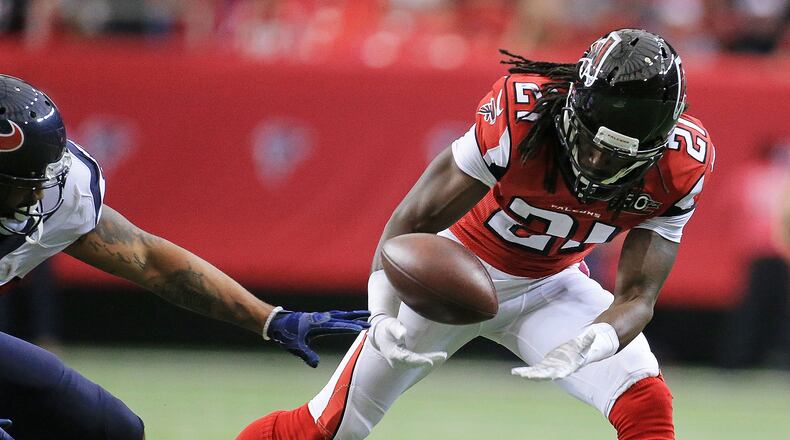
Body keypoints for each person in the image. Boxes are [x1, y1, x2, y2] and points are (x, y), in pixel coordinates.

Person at [238, 28, 714, 440]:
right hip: (452, 272)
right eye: (588, 140)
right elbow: (412, 221)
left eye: (615, 155)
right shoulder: (521, 113)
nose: (593, 162)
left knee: (646, 405)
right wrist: (381, 312)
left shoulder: (681, 165)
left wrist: (594, 340)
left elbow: (637, 296)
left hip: (553, 285)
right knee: (329, 426)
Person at [0, 74, 370, 440]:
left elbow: (149, 258)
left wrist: (272, 320)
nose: (38, 197)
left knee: (113, 429)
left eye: (42, 181)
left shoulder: (59, 193)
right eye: (24, 185)